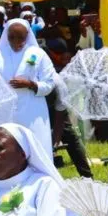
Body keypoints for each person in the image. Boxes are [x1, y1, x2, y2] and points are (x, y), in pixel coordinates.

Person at [0, 19, 56, 156]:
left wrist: (31, 84)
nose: (16, 41)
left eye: (21, 37)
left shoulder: (38, 54)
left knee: (33, 149)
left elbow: (49, 82)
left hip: (32, 110)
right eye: (12, 37)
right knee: (3, 148)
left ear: (28, 35)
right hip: (3, 110)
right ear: (6, 35)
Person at [46, 39, 93, 178]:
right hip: (38, 109)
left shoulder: (57, 76)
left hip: (56, 109)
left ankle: (87, 177)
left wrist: (56, 136)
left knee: (71, 139)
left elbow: (61, 108)